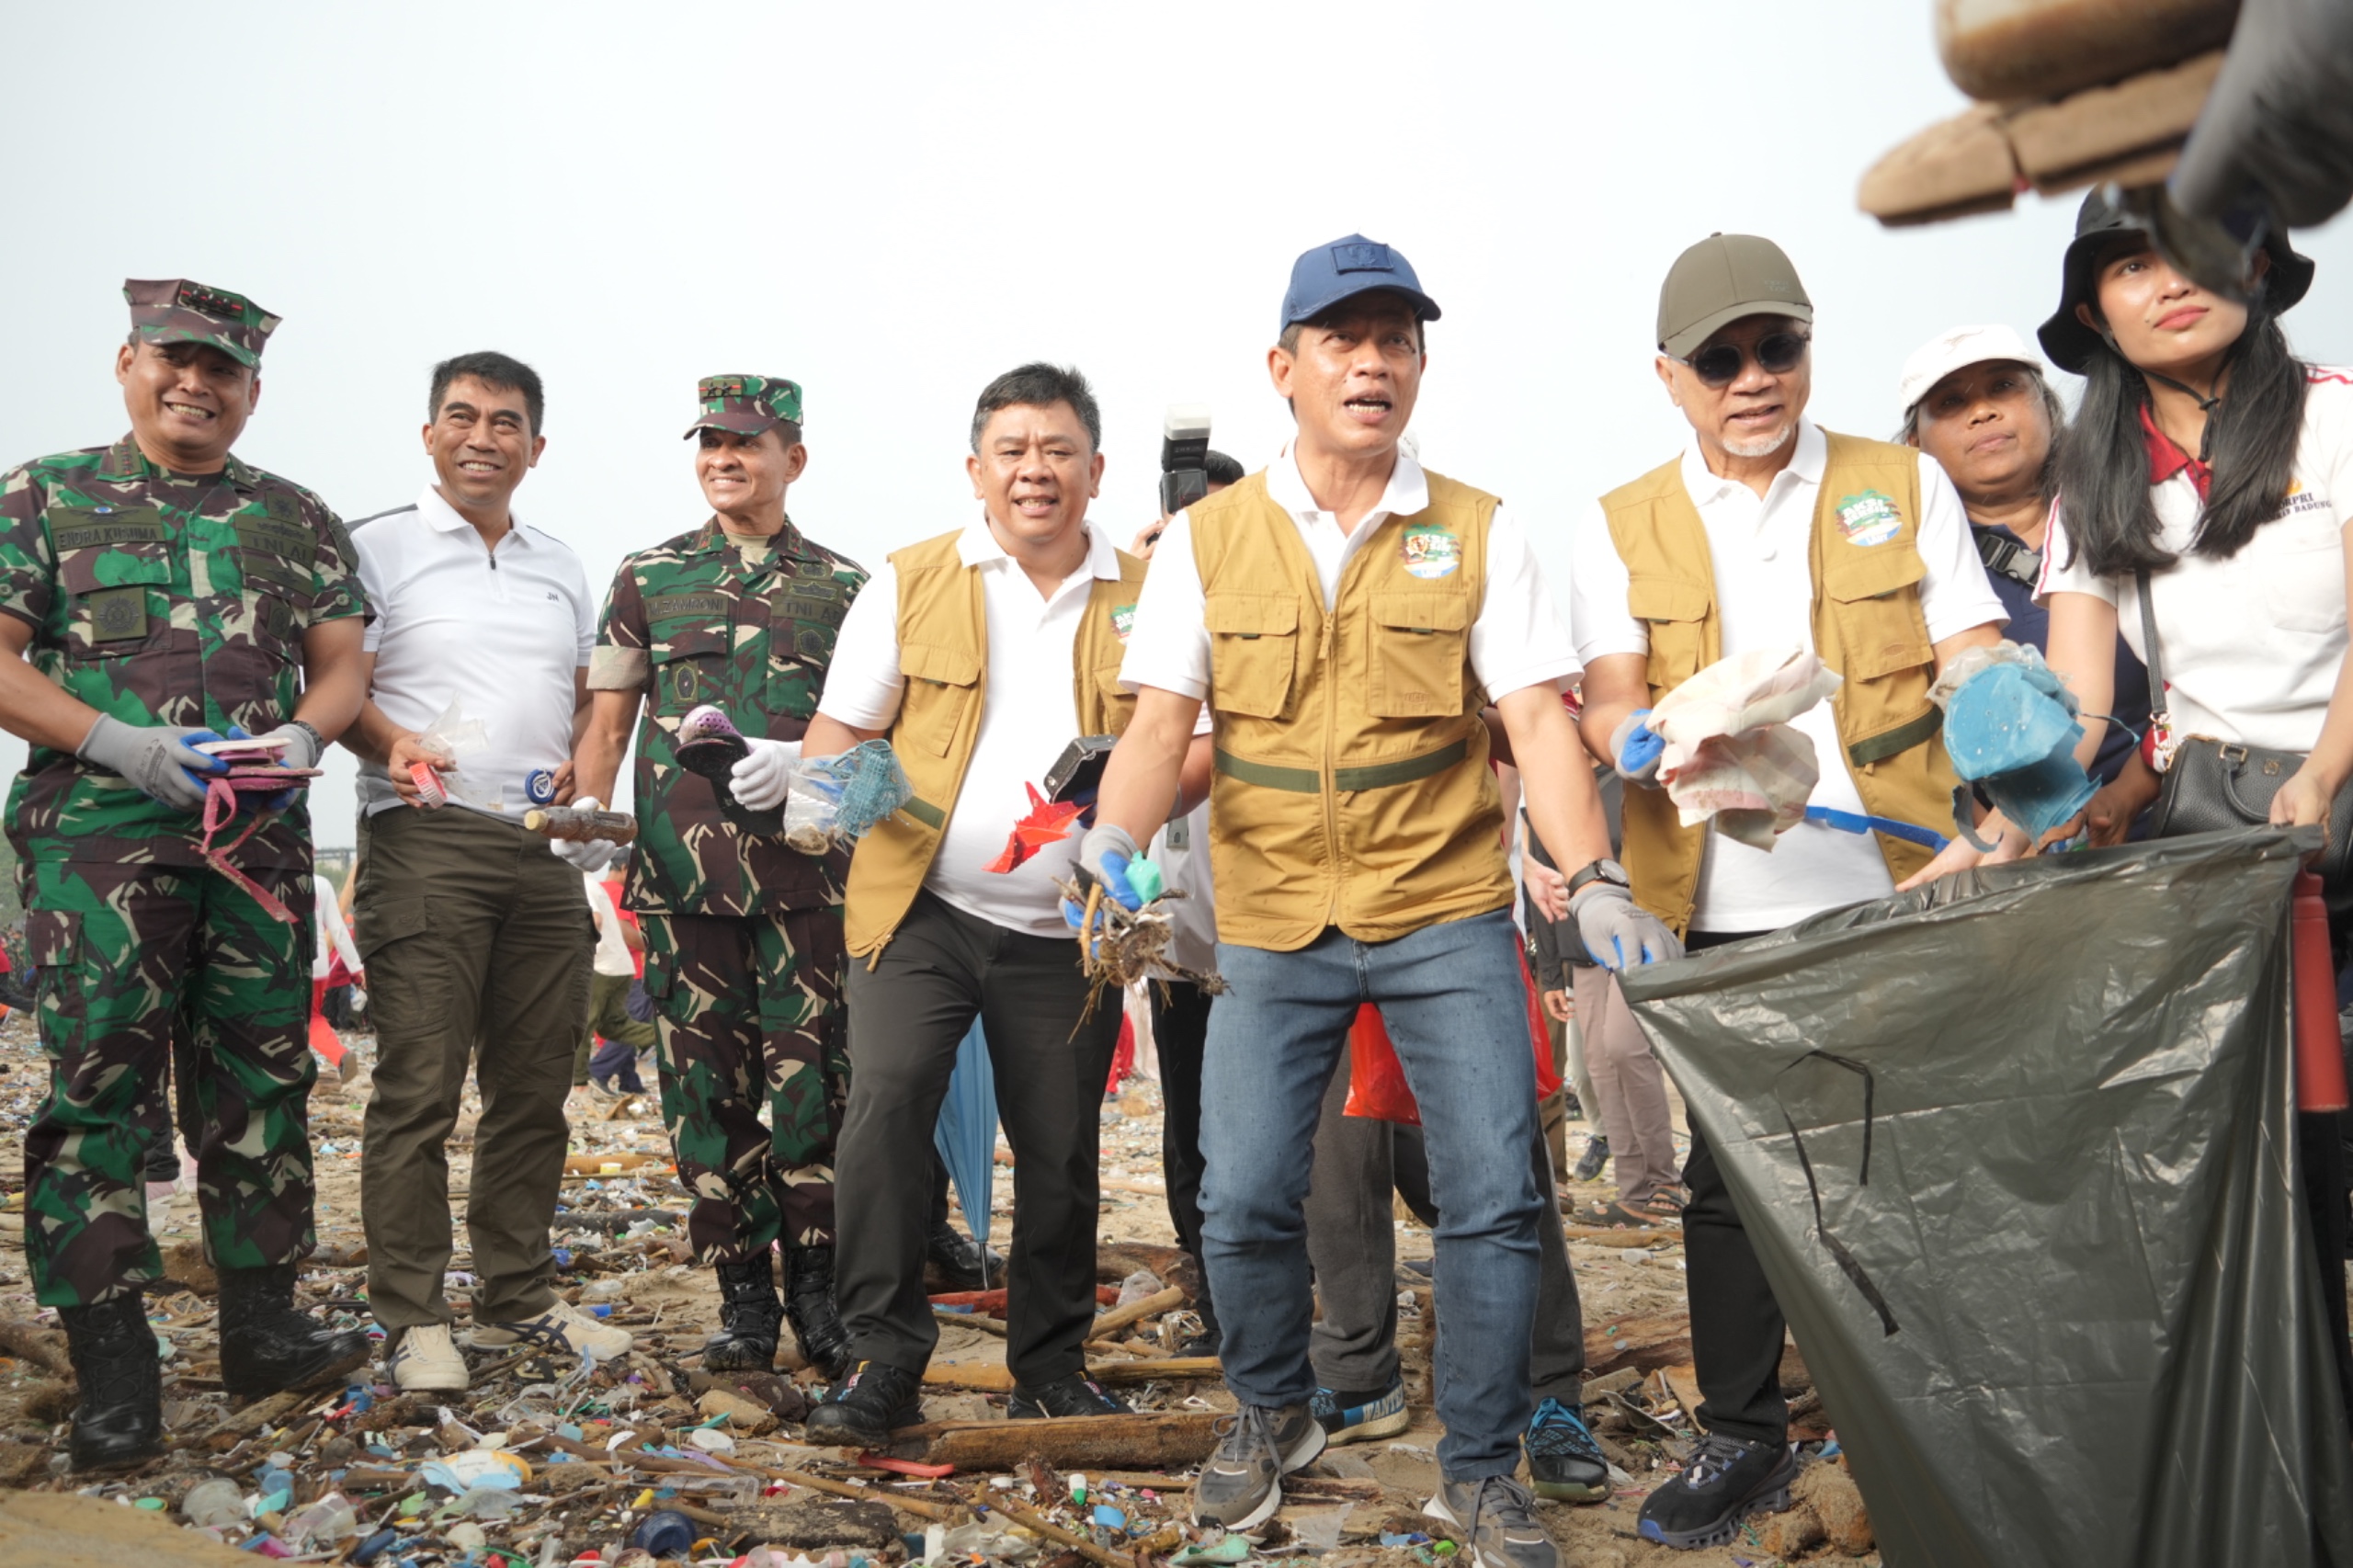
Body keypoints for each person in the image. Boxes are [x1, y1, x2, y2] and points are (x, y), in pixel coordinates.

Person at [1090, 235, 1673, 1565]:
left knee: (1495, 1194)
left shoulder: (1481, 527)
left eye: (1396, 339)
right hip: (1276, 918)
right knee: (1238, 1196)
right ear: (1284, 369)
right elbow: (1159, 722)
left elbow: (1533, 717)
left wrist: (1591, 879)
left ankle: (1479, 1464)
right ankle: (1271, 1413)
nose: (1372, 361)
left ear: (1418, 365)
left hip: (1443, 910)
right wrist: (1112, 840)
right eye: (1343, 340)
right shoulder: (1206, 540)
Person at [1569, 233, 2007, 1551]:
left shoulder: (1901, 481)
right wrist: (1627, 735)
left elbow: (1971, 648)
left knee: (1907, 1153)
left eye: (1779, 348)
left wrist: (2007, 772)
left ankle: (1937, 1419)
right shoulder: (1618, 517)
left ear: (1810, 349)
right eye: (1721, 359)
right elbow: (1602, 692)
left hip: (1896, 885)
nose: (1753, 378)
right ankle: (1746, 1435)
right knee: (1728, 1185)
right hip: (1707, 911)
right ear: (1670, 377)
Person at [0, 279, 374, 1469]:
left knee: (262, 1085)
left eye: (223, 370)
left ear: (252, 391)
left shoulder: (296, 518)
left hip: (255, 854)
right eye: (176, 359)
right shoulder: (45, 497)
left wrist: (307, 738)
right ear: (127, 362)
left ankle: (263, 1326)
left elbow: (342, 662)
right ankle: (115, 1361)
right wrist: (117, 743)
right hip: (96, 849)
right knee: (99, 1094)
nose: (196, 385)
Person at [2027, 187, 2353, 1418]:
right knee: (2258, 1127)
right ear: (2093, 312)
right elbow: (2075, 690)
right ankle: (2292, 1388)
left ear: (2259, 270)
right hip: (2222, 833)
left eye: (2201, 251)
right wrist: (2014, 813)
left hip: (2332, 780)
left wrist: (2323, 769)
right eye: (2128, 266)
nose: (2169, 281)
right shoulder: (2093, 475)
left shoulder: (2332, 418)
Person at [801, 362, 1171, 1442]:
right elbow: (839, 732)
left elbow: (1184, 742)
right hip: (917, 907)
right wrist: (827, 782)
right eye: (1012, 451)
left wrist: (1121, 835)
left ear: (1095, 469)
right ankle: (882, 1358)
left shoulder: (1146, 595)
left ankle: (1049, 1363)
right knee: (885, 1106)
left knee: (1058, 1147)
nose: (1035, 471)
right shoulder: (912, 579)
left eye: (1057, 450)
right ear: (976, 470)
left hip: (1068, 927)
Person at [340, 350, 630, 1394]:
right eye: (460, 417)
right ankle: (414, 1314)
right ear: (428, 433)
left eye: (505, 422)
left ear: (535, 446)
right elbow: (336, 682)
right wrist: (389, 740)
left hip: (543, 849)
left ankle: (515, 1296)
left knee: (534, 1089)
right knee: (418, 1087)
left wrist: (584, 782)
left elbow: (590, 700)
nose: (481, 437)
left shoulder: (560, 562)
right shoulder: (373, 546)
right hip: (428, 839)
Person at [574, 374, 865, 1380]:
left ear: (795, 456)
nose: (725, 458)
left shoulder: (846, 587)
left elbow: (872, 741)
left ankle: (818, 1289)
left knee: (815, 1090)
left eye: (747, 442)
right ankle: (743, 1292)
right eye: (710, 442)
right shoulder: (647, 578)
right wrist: (583, 813)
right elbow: (606, 726)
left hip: (808, 884)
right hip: (680, 883)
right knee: (705, 1093)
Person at [1895, 324, 2150, 783]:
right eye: (1951, 403)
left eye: (2003, 387)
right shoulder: (1911, 569)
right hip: (2018, 837)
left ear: (2047, 405)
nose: (1983, 412)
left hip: (2183, 811)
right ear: (1914, 443)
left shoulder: (2138, 507)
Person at [1127, 446, 1244, 1359]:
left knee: (1279, 1131)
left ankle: (1299, 1290)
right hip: (1178, 938)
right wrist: (1147, 578)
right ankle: (1215, 1299)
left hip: (1271, 934)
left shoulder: (1270, 617)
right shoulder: (1145, 615)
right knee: (1188, 1128)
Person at [578, 860, 658, 1097]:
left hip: (604, 966)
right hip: (626, 968)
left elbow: (597, 922)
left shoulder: (590, 886)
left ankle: (611, 1080)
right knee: (621, 1025)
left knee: (595, 1023)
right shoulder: (609, 889)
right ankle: (601, 1073)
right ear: (625, 868)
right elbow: (621, 928)